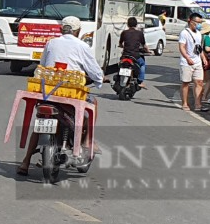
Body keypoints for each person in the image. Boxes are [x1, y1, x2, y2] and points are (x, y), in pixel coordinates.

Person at [18, 16, 103, 176]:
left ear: (60, 29)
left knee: (40, 123)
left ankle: (25, 162)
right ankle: (86, 141)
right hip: (70, 94)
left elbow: (42, 65)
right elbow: (95, 71)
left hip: (47, 92)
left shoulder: (51, 43)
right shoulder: (82, 46)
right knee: (93, 103)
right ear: (77, 31)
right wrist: (99, 79)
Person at [178, 13, 206, 112]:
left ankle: (198, 104)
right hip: (186, 63)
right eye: (197, 22)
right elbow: (181, 47)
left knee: (199, 82)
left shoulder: (199, 33)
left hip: (197, 62)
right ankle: (185, 103)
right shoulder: (184, 33)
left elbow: (199, 48)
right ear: (190, 21)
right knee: (186, 83)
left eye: (200, 22)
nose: (199, 24)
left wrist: (203, 58)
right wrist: (187, 58)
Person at [119, 16, 147, 88]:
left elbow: (120, 43)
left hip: (125, 55)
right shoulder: (140, 33)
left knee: (120, 64)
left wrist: (123, 46)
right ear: (136, 25)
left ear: (128, 24)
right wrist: (148, 50)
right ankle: (140, 81)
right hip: (135, 56)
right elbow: (144, 45)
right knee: (142, 64)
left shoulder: (124, 33)